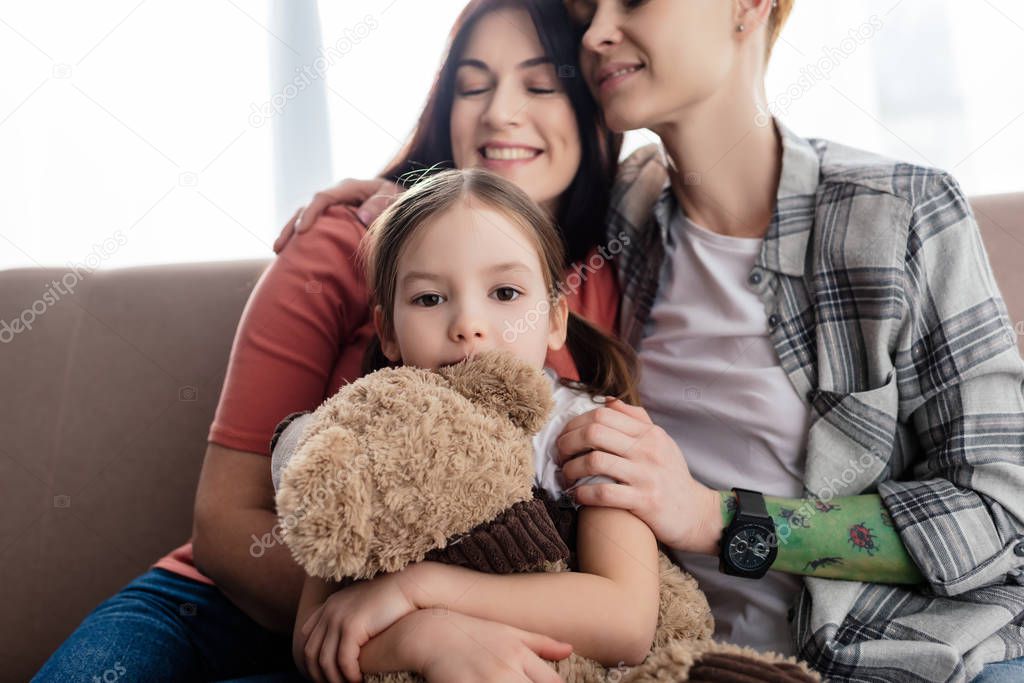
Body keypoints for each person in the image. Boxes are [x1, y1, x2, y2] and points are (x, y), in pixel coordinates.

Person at [284, 1, 1024, 680]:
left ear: (747, 6)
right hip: (678, 657)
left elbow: (1006, 514)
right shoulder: (623, 219)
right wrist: (386, 200)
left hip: (907, 652)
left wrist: (715, 515)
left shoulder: (898, 213)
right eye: (587, 10)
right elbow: (480, 238)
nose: (597, 31)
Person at [33, 2, 631, 681]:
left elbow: (625, 598)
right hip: (226, 605)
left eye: (540, 84)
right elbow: (226, 524)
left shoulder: (609, 273)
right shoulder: (345, 240)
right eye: (472, 85)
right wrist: (413, 621)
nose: (499, 112)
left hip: (442, 636)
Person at [272, 167, 656, 683]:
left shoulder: (587, 434)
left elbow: (626, 622)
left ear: (556, 318)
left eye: (505, 293)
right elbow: (313, 639)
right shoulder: (367, 437)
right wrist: (424, 639)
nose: (468, 324)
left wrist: (417, 590)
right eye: (430, 299)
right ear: (388, 332)